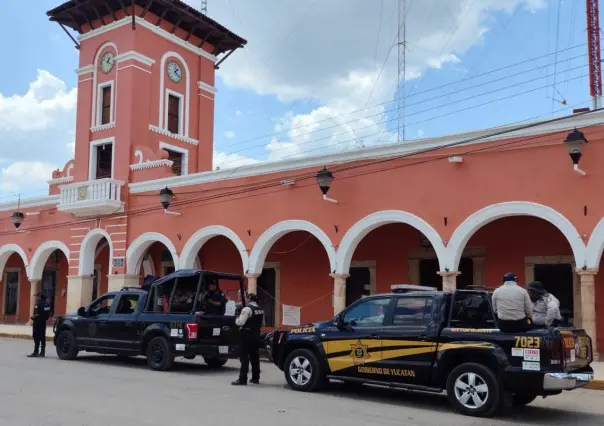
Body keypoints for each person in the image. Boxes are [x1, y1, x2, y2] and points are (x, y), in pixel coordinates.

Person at [232, 293, 264, 386]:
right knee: (255, 357)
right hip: (256, 334)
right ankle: (255, 378)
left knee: (244, 357)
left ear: (249, 299)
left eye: (246, 298)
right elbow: (263, 323)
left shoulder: (247, 309)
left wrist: (236, 318)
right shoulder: (261, 309)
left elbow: (240, 322)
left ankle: (242, 379)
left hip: (246, 335)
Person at [28, 292, 51, 358]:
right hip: (43, 322)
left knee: (36, 336)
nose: (36, 298)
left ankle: (36, 351)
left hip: (37, 322)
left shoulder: (38, 304)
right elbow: (48, 314)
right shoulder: (47, 304)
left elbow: (36, 313)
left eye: (37, 297)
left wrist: (33, 317)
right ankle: (42, 352)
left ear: (40, 297)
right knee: (42, 336)